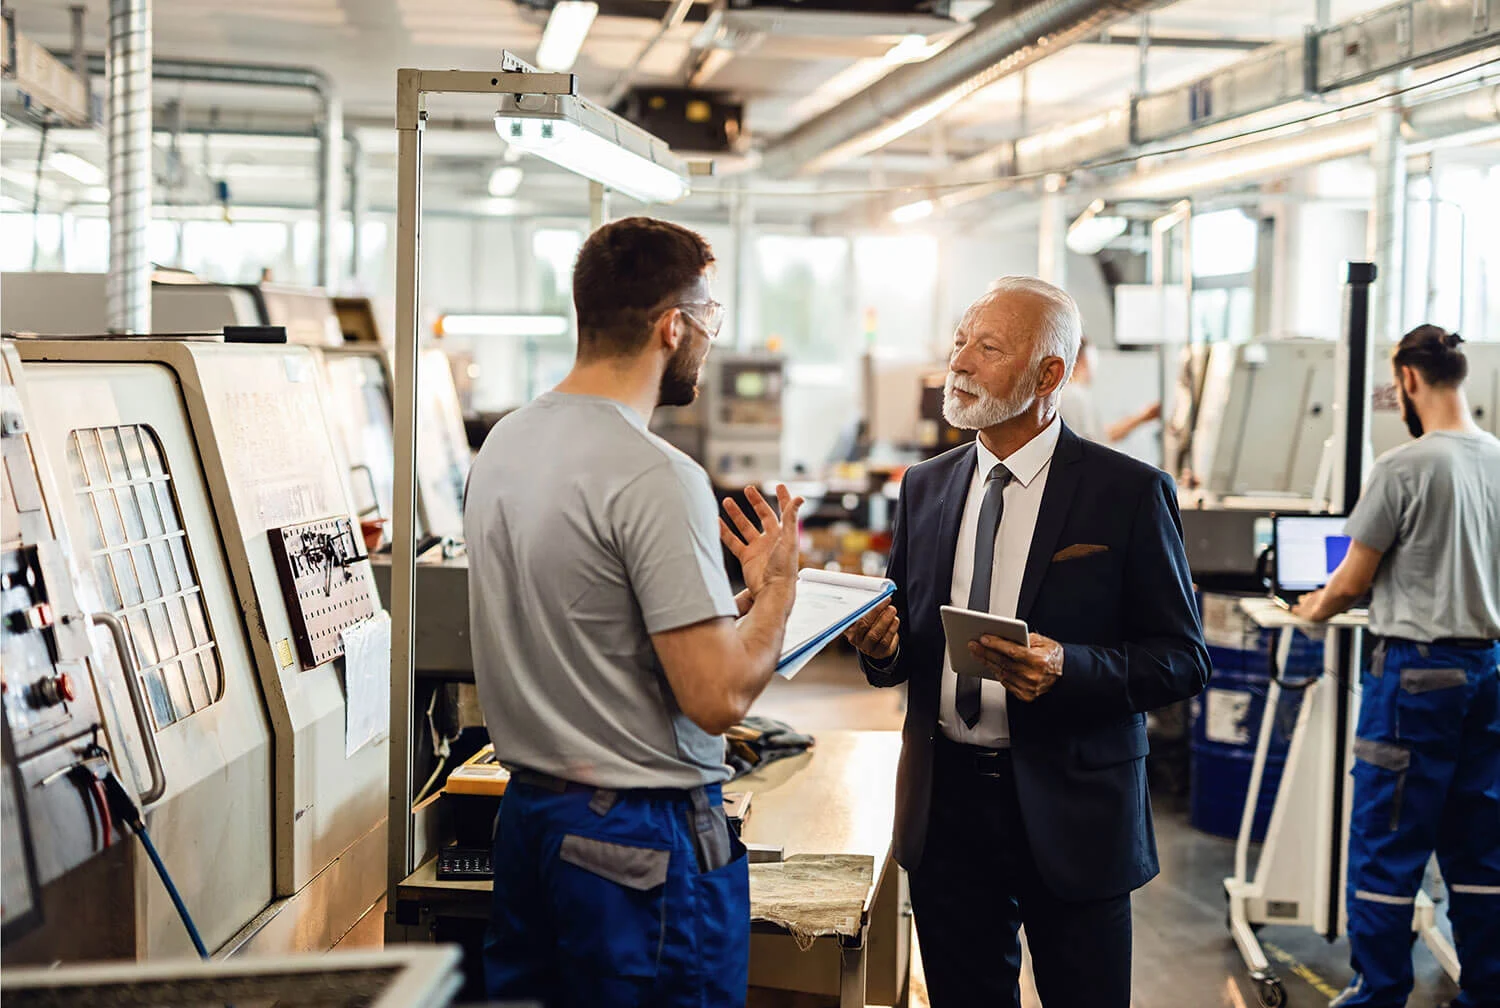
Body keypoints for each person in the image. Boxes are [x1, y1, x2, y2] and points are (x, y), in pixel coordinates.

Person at [842, 275, 1211, 1008]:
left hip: (1074, 812)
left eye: (987, 348)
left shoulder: (1127, 493)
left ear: (1051, 375)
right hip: (945, 810)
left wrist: (1069, 667)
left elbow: (1181, 658)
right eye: (958, 343)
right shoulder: (924, 486)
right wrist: (880, 647)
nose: (960, 364)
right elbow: (904, 649)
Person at [465, 216, 804, 1007]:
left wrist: (733, 614)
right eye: (709, 322)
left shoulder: (506, 445)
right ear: (672, 326)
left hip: (532, 825)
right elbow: (715, 698)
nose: (709, 342)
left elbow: (598, 626)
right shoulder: (656, 473)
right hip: (636, 853)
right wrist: (780, 596)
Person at [1293, 324, 1500, 1008]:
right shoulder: (1497, 460)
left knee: (1387, 844)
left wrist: (1310, 610)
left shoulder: (1404, 467)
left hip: (1415, 681)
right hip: (1490, 673)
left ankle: (1376, 994)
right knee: (1480, 847)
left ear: (1408, 379)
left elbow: (1351, 581)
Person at [1057, 336, 1161, 445]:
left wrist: (1143, 416)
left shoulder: (1066, 395)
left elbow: (1102, 435)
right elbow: (1096, 444)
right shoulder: (1076, 397)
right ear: (1084, 360)